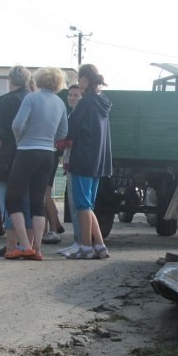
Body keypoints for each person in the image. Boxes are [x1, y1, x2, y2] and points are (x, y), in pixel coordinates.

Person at [5, 67, 68, 260]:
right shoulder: (60, 103)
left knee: (13, 199)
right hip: (48, 154)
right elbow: (63, 132)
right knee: (37, 202)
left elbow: (17, 124)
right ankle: (38, 249)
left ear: (39, 80)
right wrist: (50, 140)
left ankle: (24, 245)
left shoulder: (31, 98)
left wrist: (20, 139)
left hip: (26, 151)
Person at [60, 64, 112, 259]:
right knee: (88, 204)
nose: (78, 83)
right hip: (99, 161)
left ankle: (85, 246)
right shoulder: (103, 101)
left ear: (85, 79)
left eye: (79, 78)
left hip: (82, 158)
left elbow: (69, 129)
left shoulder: (86, 103)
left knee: (82, 204)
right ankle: (99, 246)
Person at [0, 66, 32, 257]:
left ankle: (11, 244)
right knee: (28, 202)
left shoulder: (6, 102)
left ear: (10, 80)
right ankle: (28, 244)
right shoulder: (33, 99)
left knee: (8, 201)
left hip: (8, 157)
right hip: (32, 156)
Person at [56, 83, 83, 256]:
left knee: (77, 205)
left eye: (76, 95)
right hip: (71, 161)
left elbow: (72, 138)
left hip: (76, 162)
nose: (72, 98)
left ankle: (80, 241)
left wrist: (60, 142)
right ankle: (79, 241)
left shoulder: (77, 116)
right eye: (70, 95)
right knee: (76, 205)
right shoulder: (73, 114)